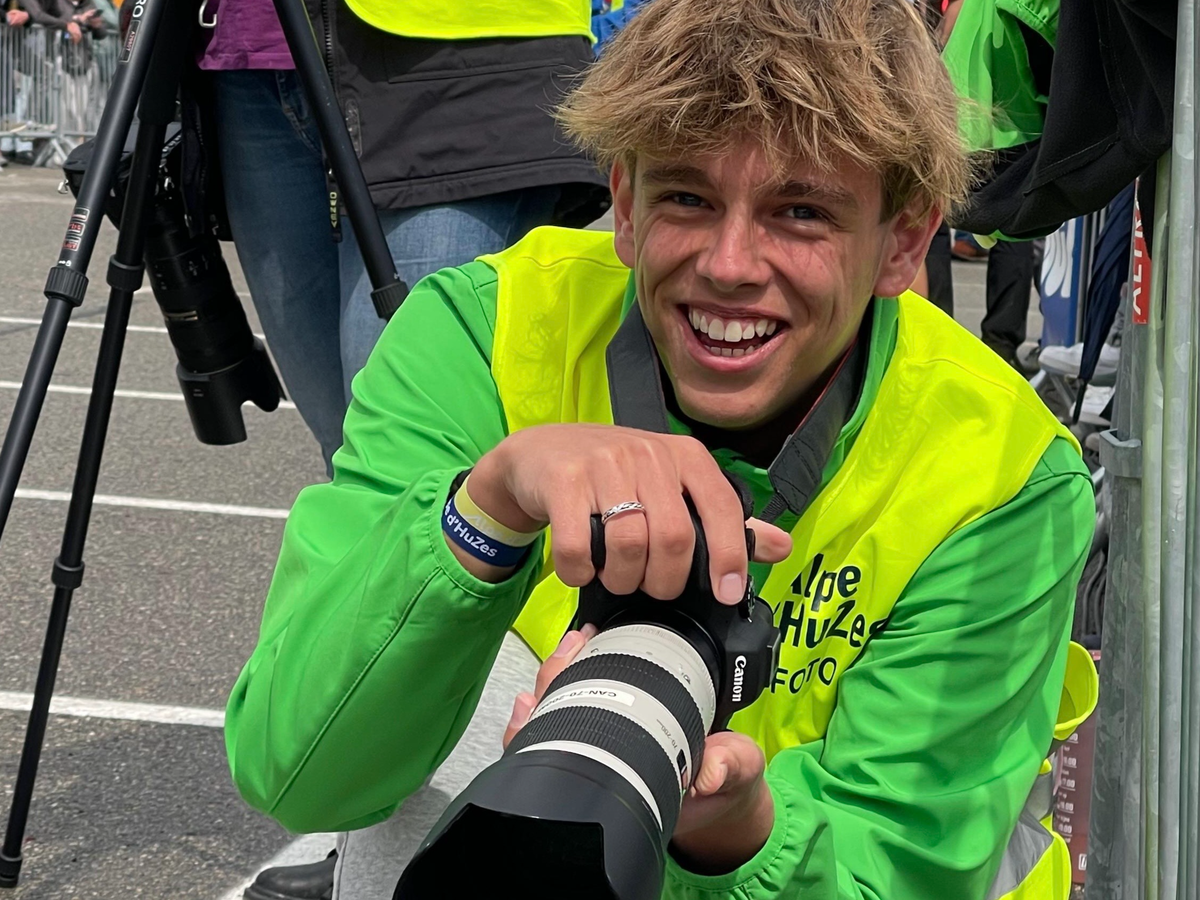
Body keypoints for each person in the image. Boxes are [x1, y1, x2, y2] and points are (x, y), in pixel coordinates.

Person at [226, 2, 1097, 900]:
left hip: (819, 874)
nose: (729, 264)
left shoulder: (998, 469)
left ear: (904, 241)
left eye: (801, 211)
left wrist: (740, 837)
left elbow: (906, 866)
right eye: (687, 196)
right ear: (625, 203)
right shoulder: (484, 333)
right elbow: (297, 774)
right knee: (463, 689)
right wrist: (486, 513)